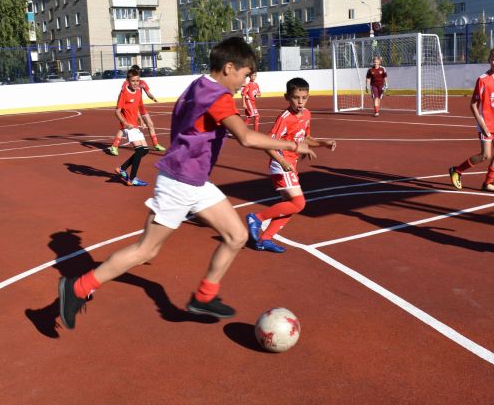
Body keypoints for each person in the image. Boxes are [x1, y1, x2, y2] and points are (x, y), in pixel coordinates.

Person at [58, 37, 317, 329]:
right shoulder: (217, 97)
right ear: (229, 68)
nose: (244, 83)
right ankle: (77, 288)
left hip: (194, 180)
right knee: (146, 250)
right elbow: (245, 137)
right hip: (180, 181)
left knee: (236, 236)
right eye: (244, 75)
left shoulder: (199, 86)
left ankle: (204, 297)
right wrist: (294, 147)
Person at [246, 77, 336, 253]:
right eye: (296, 98)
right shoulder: (285, 118)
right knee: (299, 203)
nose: (300, 102)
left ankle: (265, 239)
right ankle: (256, 218)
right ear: (287, 97)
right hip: (281, 163)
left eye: (304, 98)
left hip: (290, 164)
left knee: (290, 204)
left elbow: (305, 138)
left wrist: (323, 143)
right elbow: (267, 143)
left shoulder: (307, 114)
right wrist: (282, 161)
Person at [449, 46, 494, 193]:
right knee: (485, 155)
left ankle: (488, 183)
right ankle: (457, 170)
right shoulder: (483, 80)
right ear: (489, 60)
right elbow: (472, 104)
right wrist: (481, 124)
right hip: (485, 123)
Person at [108, 65, 165, 155]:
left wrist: (153, 97)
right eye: (134, 71)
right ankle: (115, 146)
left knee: (150, 124)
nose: (135, 81)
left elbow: (148, 93)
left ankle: (156, 144)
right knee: (124, 126)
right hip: (130, 105)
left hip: (139, 106)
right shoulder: (127, 83)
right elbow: (124, 92)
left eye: (137, 72)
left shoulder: (142, 82)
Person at [113, 68, 151, 187]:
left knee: (145, 150)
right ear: (127, 81)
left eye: (137, 81)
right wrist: (125, 123)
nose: (135, 83)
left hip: (135, 125)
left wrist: (141, 121)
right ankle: (132, 178)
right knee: (139, 150)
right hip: (128, 127)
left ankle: (122, 169)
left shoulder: (139, 92)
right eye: (133, 81)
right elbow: (117, 112)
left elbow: (137, 108)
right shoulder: (124, 93)